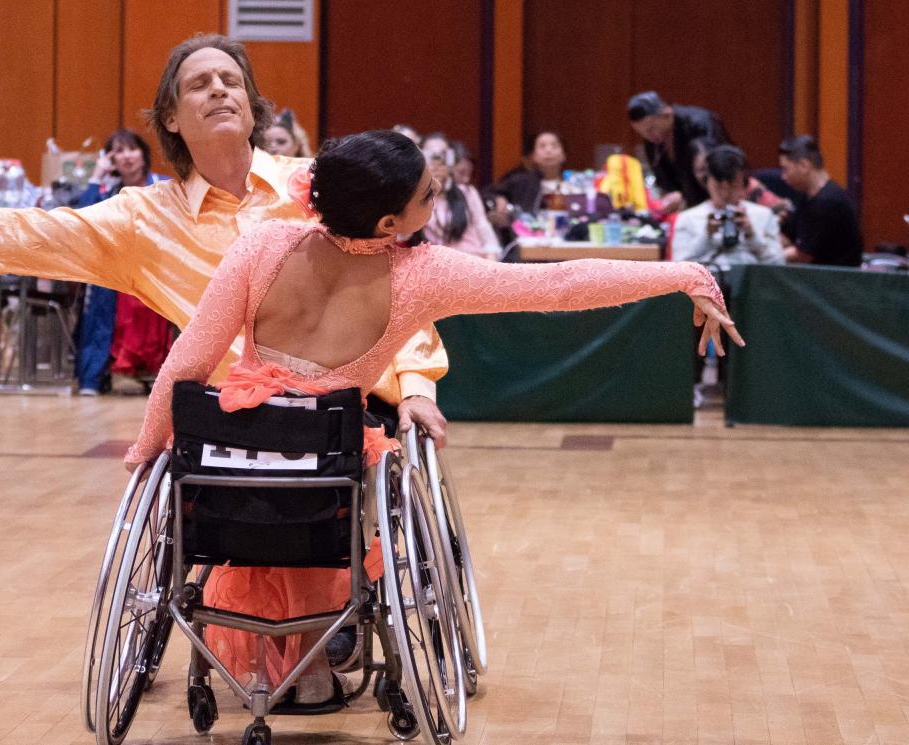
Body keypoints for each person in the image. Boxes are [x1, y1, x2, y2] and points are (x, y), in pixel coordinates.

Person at [124, 129, 742, 704]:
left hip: (237, 460)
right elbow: (561, 285)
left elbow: (185, 365)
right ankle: (315, 658)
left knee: (269, 468)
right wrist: (684, 275)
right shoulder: (423, 276)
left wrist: (147, 447)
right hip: (327, 468)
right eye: (429, 192)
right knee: (350, 471)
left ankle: (290, 658)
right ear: (390, 221)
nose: (440, 191)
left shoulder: (262, 244)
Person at [0, 34, 449, 441]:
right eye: (199, 84)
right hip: (236, 419)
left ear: (255, 108)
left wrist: (418, 388)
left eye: (231, 81)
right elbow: (32, 232)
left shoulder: (317, 189)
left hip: (356, 409)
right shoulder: (142, 219)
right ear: (171, 118)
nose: (219, 90)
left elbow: (396, 287)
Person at [74, 128, 170, 395]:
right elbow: (81, 218)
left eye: (132, 148)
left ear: (143, 153)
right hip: (114, 269)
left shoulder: (162, 185)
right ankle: (99, 376)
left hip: (158, 267)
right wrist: (96, 176)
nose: (126, 156)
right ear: (110, 159)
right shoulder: (106, 191)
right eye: (118, 150)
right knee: (102, 304)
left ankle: (161, 376)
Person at [673, 144, 784, 271]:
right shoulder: (687, 218)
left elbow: (778, 266)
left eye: (732, 186)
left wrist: (752, 235)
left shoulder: (764, 215)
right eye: (718, 186)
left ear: (744, 183)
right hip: (706, 287)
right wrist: (706, 235)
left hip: (752, 286)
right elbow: (679, 270)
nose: (725, 193)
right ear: (706, 181)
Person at [627, 91, 730, 215]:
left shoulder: (700, 122)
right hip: (687, 208)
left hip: (716, 200)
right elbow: (663, 179)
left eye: (651, 129)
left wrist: (685, 195)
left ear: (667, 114)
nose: (648, 136)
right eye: (642, 133)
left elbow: (717, 170)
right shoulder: (654, 138)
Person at [778, 135, 863, 267]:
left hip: (835, 283)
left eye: (785, 169)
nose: (783, 177)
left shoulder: (828, 201)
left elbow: (802, 255)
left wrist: (765, 256)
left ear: (804, 166)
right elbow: (788, 238)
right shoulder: (805, 196)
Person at [420, 132, 501, 260]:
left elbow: (483, 227)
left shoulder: (467, 192)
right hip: (440, 268)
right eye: (431, 156)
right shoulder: (416, 198)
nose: (437, 163)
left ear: (451, 161)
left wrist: (492, 261)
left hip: (475, 262)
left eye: (442, 156)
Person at [486, 130, 577, 216]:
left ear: (564, 155)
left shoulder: (575, 183)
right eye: (542, 146)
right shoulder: (521, 181)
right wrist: (498, 199)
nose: (548, 150)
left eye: (554, 146)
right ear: (533, 156)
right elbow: (487, 194)